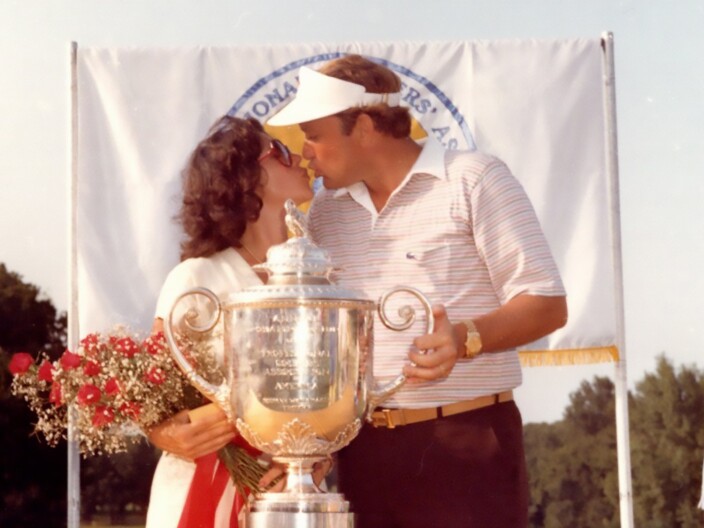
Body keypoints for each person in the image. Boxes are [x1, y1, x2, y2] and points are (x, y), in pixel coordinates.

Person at [267, 55, 568, 528]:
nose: (306, 151)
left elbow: (547, 303)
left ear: (363, 127)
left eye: (314, 135)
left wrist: (465, 338)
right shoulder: (324, 213)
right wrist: (319, 443)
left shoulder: (475, 178)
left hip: (467, 446)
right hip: (363, 454)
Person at [145, 115, 315, 527]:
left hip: (292, 491)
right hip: (201, 487)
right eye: (280, 153)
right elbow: (150, 394)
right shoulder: (196, 277)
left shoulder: (315, 272)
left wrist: (315, 453)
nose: (298, 160)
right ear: (245, 179)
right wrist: (164, 432)